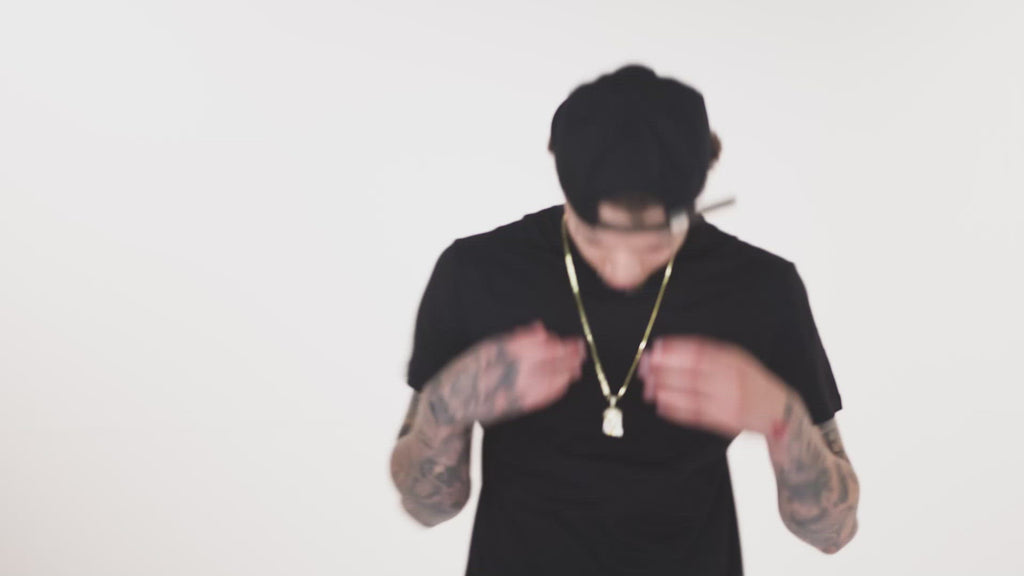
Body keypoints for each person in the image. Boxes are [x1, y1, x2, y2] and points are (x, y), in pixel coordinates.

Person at [389, 64, 860, 575]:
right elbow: (427, 507)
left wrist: (780, 415)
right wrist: (449, 402)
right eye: (597, 241)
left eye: (655, 244)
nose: (624, 269)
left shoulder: (761, 288)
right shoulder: (477, 272)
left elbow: (832, 533)